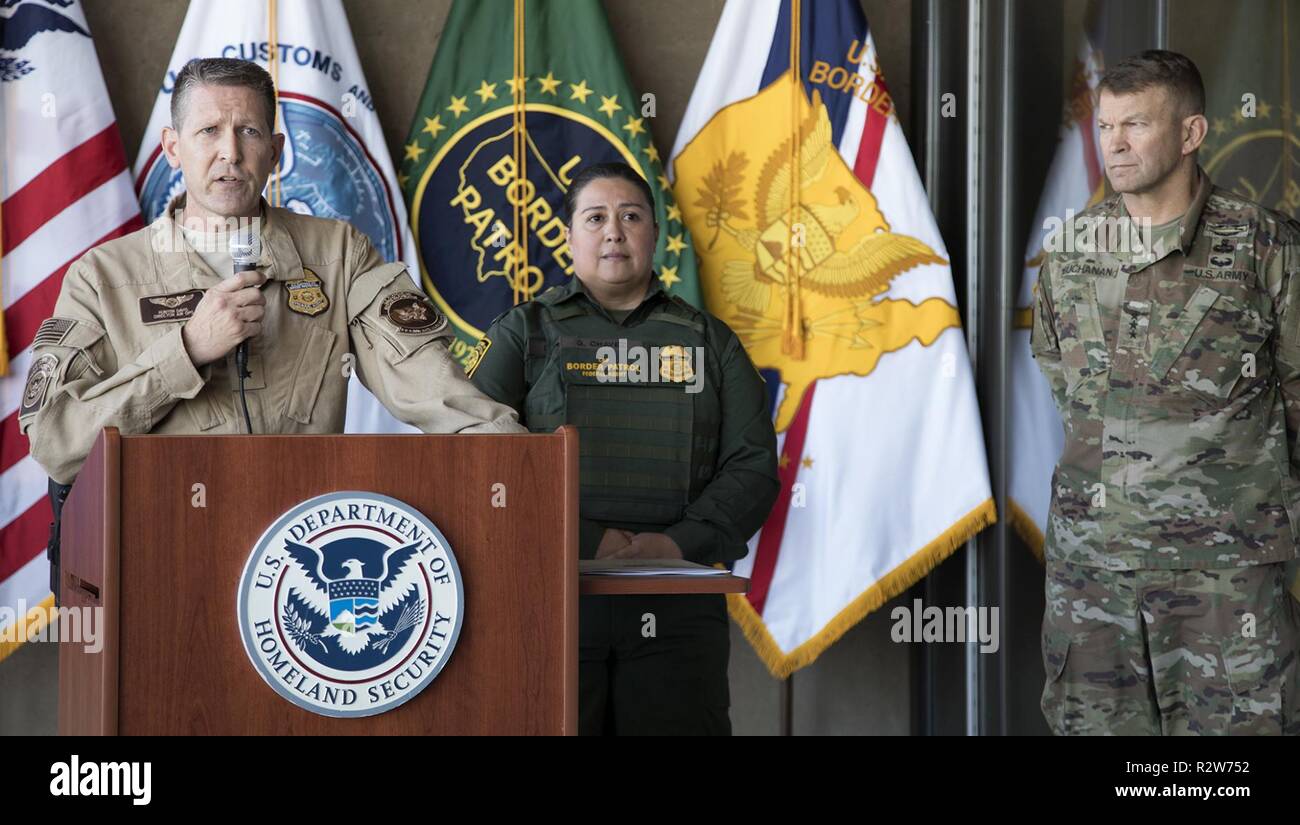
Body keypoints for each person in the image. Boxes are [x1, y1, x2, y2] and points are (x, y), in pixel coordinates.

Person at [19, 57, 523, 489]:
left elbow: (432, 390)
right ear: (173, 148)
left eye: (249, 132)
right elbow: (57, 444)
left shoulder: (339, 254)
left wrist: (523, 460)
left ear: (276, 152)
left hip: (302, 539)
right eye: (209, 131)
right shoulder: (101, 277)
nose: (230, 153)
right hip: (164, 547)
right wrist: (186, 351)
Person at [1031, 49, 1300, 735]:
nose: (1114, 144)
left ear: (1190, 134)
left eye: (1137, 125)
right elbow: (1068, 388)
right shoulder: (1069, 254)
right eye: (1105, 126)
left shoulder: (1266, 248)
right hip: (1095, 575)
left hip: (1225, 579)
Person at [468, 162, 778, 735]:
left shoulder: (710, 341)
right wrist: (589, 540)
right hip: (549, 599)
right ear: (569, 237)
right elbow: (475, 461)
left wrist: (673, 544)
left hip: (675, 601)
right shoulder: (524, 333)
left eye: (631, 216)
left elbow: (753, 467)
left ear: (655, 235)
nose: (614, 231)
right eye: (596, 217)